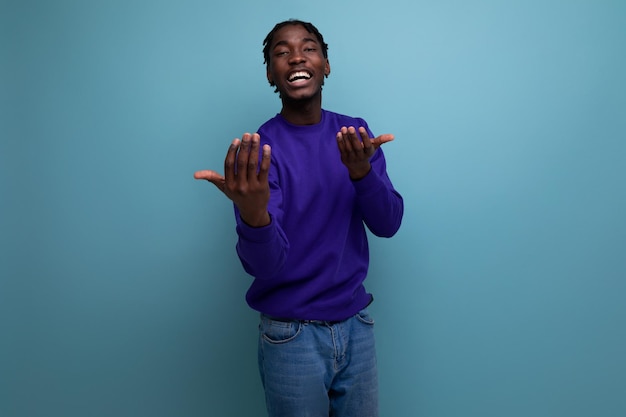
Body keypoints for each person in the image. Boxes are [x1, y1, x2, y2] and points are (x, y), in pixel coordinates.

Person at [194, 19, 403, 417]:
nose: (295, 57)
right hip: (291, 336)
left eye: (308, 48)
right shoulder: (263, 149)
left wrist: (363, 174)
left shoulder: (355, 136)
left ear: (326, 64)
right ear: (272, 74)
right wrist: (253, 215)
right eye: (280, 52)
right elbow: (267, 266)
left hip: (357, 327)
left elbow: (388, 223)